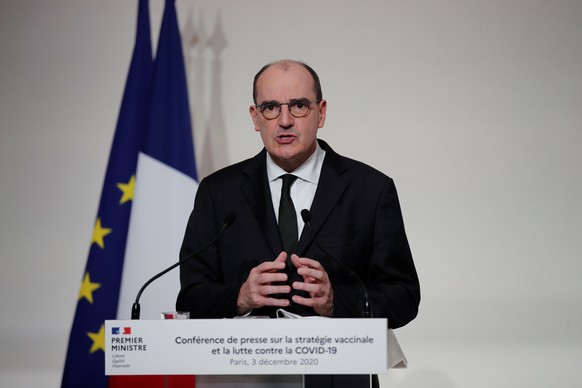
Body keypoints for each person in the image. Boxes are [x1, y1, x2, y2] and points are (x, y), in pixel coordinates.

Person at [176, 60, 420, 388]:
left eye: (299, 106)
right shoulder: (219, 192)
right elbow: (190, 296)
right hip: (243, 379)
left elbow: (404, 296)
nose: (285, 121)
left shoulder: (370, 190)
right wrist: (241, 296)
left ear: (321, 112)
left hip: (339, 380)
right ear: (255, 117)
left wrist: (337, 301)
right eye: (271, 108)